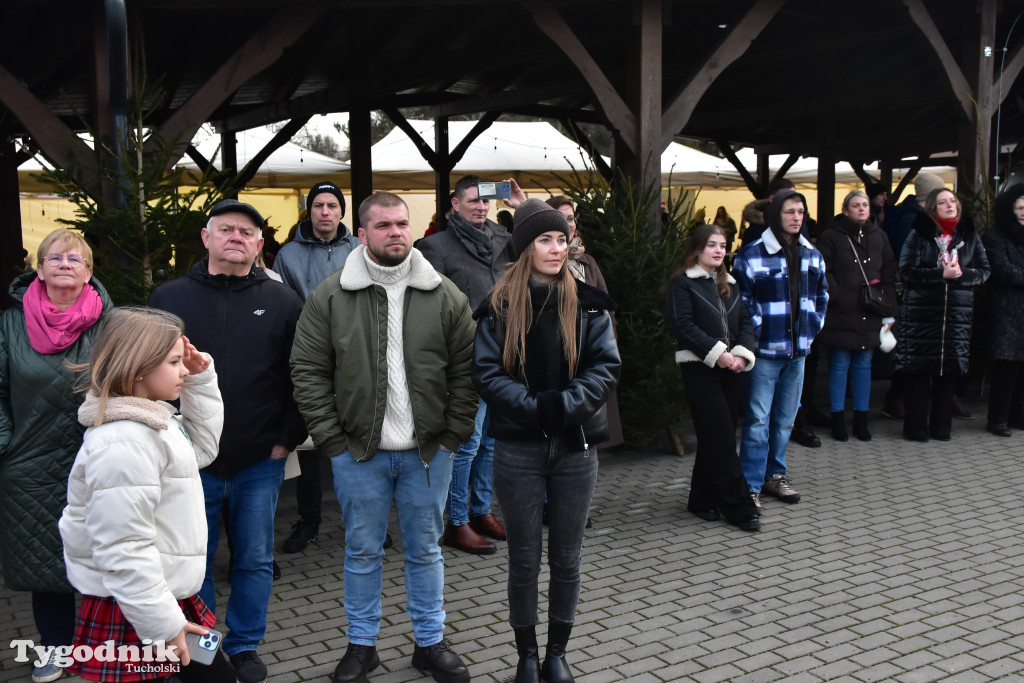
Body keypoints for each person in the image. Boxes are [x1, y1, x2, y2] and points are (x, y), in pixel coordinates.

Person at [290, 192, 478, 683]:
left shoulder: (445, 294)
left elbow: (466, 371)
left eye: (402, 223)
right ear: (364, 231)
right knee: (361, 551)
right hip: (358, 452)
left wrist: (454, 433)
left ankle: (430, 644)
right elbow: (307, 371)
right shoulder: (331, 295)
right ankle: (362, 645)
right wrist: (331, 441)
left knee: (425, 550)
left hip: (428, 452)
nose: (396, 232)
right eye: (384, 225)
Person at [149, 199, 307, 683]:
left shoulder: (284, 302)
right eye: (226, 230)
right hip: (189, 459)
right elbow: (147, 372)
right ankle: (203, 650)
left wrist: (288, 438)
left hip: (260, 457)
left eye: (246, 232)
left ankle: (243, 646)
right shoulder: (169, 298)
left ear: (260, 244)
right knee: (193, 560)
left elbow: (302, 375)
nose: (236, 237)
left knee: (255, 558)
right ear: (206, 237)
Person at [473, 199, 620, 683]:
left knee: (567, 556)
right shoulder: (498, 307)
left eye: (561, 238)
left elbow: (605, 368)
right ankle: (526, 655)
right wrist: (535, 407)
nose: (556, 248)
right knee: (523, 558)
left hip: (575, 449)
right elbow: (487, 373)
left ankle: (558, 652)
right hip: (517, 448)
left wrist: (564, 406)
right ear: (524, 248)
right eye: (544, 239)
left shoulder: (590, 302)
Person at [59, 308, 233, 683]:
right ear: (138, 367)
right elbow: (123, 549)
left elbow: (201, 449)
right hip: (138, 602)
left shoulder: (152, 421)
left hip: (161, 592)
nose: (183, 369)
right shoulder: (124, 443)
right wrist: (165, 627)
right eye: (174, 362)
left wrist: (200, 381)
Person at [0, 229, 112, 683]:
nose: (64, 263)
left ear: (88, 271)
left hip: (101, 459)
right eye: (55, 257)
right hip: (30, 463)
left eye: (75, 258)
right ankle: (55, 647)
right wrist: (6, 443)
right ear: (40, 267)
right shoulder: (9, 324)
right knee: (46, 561)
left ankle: (106, 645)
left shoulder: (112, 322)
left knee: (109, 554)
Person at [419, 175, 513, 554]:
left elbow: (548, 235)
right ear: (454, 205)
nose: (480, 206)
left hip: (504, 354)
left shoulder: (505, 240)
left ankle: (480, 510)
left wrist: (518, 201)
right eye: (471, 200)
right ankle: (456, 522)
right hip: (464, 359)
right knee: (467, 442)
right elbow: (424, 308)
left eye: (485, 201)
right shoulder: (434, 246)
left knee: (491, 440)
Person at [273, 180, 360, 554]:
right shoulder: (288, 255)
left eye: (332, 205)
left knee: (356, 443)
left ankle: (361, 519)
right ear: (308, 211)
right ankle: (309, 521)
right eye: (318, 205)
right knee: (309, 447)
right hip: (310, 361)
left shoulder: (359, 248)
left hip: (356, 361)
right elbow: (282, 303)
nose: (325, 212)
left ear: (342, 212)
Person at [733, 189, 828, 510]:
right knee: (758, 419)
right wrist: (759, 332)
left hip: (798, 352)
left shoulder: (812, 254)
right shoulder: (752, 254)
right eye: (790, 211)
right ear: (776, 215)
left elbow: (822, 296)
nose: (796, 217)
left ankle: (776, 475)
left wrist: (812, 328)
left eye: (801, 211)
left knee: (786, 419)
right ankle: (750, 485)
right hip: (764, 353)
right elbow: (742, 301)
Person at [666, 224, 759, 532]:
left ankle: (701, 498)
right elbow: (682, 325)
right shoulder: (682, 283)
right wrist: (718, 353)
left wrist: (742, 353)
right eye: (712, 245)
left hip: (733, 369)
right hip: (699, 367)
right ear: (697, 248)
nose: (719, 250)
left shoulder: (729, 283)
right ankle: (739, 506)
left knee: (715, 437)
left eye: (723, 245)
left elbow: (745, 320)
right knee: (721, 438)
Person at [894, 188, 989, 442]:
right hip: (922, 315)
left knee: (947, 374)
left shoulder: (969, 235)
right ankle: (915, 429)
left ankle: (941, 428)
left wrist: (962, 275)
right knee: (919, 373)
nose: (949, 205)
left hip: (956, 315)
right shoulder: (919, 234)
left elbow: (984, 270)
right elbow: (907, 271)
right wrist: (940, 275)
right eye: (942, 202)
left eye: (952, 201)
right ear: (933, 209)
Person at [816, 190, 897, 442]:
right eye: (856, 205)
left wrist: (889, 308)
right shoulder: (831, 236)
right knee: (839, 366)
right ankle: (838, 420)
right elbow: (822, 269)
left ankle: (861, 420)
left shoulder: (879, 235)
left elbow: (888, 273)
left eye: (865, 204)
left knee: (864, 367)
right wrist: (837, 294)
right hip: (841, 311)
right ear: (846, 209)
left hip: (870, 311)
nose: (862, 209)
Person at [544, 195, 621, 451]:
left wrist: (607, 343)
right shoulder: (545, 261)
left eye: (571, 218)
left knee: (589, 434)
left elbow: (606, 308)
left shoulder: (588, 262)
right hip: (557, 353)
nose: (569, 224)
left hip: (590, 353)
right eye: (561, 218)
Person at [984, 184, 1024, 436]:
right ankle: (997, 419)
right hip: (1006, 313)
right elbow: (1004, 271)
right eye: (1020, 208)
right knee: (1006, 370)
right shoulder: (994, 237)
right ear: (1009, 209)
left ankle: (1018, 416)